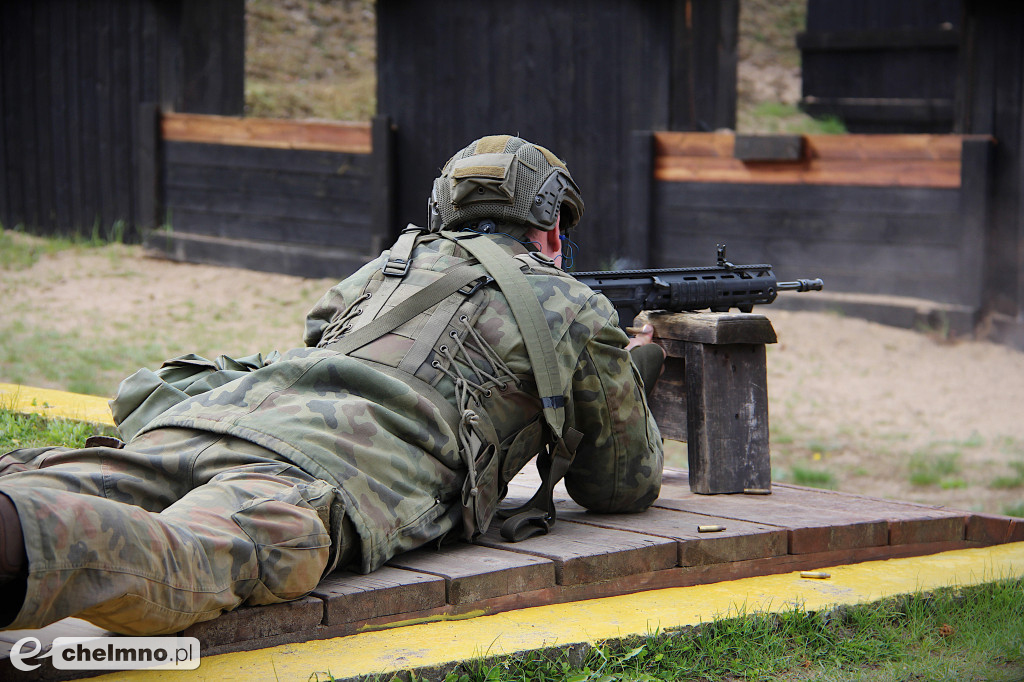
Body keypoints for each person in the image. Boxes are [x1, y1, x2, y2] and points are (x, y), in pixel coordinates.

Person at [0, 135, 664, 636]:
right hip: (323, 472)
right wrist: (637, 363)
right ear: (550, 227)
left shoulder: (386, 267)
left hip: (212, 419)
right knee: (187, 561)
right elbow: (619, 484)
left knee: (50, 483)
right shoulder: (570, 303)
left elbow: (327, 337)